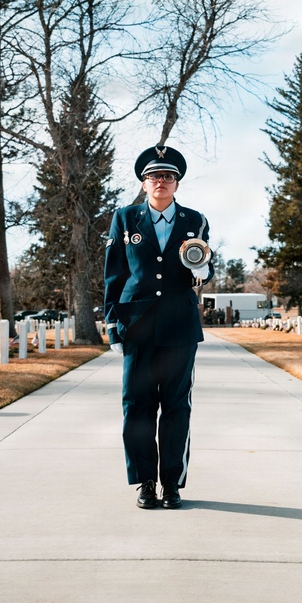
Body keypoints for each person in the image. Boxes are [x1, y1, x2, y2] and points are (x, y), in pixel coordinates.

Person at [103, 144, 213, 510]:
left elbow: (203, 265)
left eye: (167, 176)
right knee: (136, 406)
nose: (160, 182)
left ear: (176, 184)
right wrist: (112, 324)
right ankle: (145, 482)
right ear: (143, 183)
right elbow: (114, 275)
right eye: (153, 176)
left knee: (177, 406)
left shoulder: (194, 220)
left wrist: (201, 271)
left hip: (179, 327)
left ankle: (172, 483)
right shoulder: (124, 218)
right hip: (136, 326)